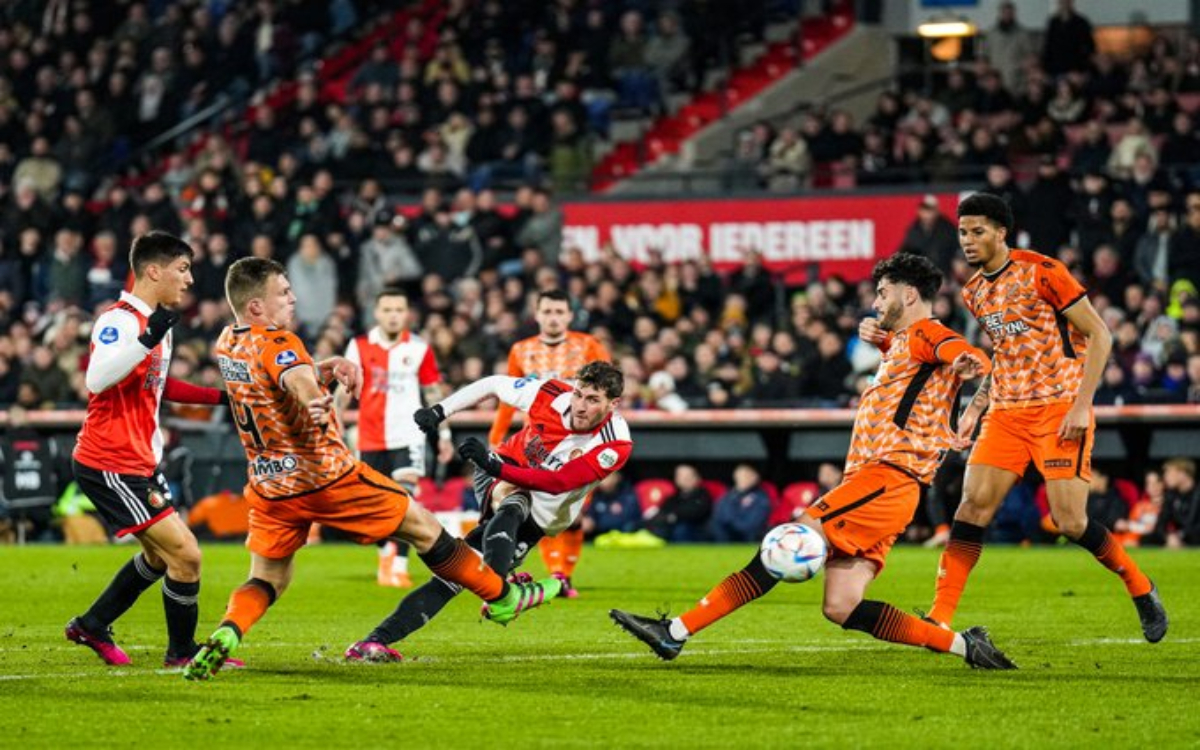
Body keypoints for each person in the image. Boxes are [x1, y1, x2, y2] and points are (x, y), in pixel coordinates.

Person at [611, 253, 1017, 669]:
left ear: (908, 294)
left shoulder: (926, 333)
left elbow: (961, 352)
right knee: (841, 606)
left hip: (887, 478)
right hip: (888, 489)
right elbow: (925, 371)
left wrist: (967, 359)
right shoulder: (903, 343)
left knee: (787, 540)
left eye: (882, 293)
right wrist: (884, 343)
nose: (876, 303)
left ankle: (675, 632)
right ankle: (966, 646)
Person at [183, 258, 558, 681]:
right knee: (424, 528)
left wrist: (321, 370)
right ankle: (503, 596)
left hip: (271, 484)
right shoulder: (279, 343)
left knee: (267, 578)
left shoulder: (227, 341)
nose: (292, 298)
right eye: (282, 292)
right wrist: (315, 396)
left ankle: (228, 633)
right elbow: (292, 377)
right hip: (325, 475)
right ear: (256, 307)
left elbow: (275, 379)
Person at [927, 192, 1167, 642]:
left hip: (1059, 409)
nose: (968, 240)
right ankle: (939, 617)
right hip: (1006, 414)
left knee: (1069, 521)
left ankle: (1139, 585)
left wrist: (1081, 404)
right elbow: (1004, 353)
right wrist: (976, 407)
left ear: (1001, 232)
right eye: (963, 231)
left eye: (977, 231)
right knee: (972, 505)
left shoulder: (1043, 271)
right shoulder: (974, 291)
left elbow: (1100, 334)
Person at [344, 360, 631, 661]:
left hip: (543, 510)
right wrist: (440, 411)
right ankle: (498, 595)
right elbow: (492, 383)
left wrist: (496, 466)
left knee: (457, 573)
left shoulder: (616, 443)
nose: (580, 406)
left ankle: (499, 591)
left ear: (613, 404)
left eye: (592, 399)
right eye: (579, 394)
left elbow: (559, 481)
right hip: (503, 474)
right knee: (512, 503)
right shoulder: (549, 393)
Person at [66, 231, 237, 668]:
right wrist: (145, 339)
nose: (189, 279)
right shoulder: (118, 320)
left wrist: (222, 399)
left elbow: (158, 386)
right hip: (109, 461)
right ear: (153, 271)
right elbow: (97, 379)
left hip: (140, 459)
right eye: (182, 269)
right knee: (186, 554)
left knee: (160, 556)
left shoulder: (158, 323)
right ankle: (181, 653)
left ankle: (92, 624)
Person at [490, 288, 610, 598]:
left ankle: (563, 574)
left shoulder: (589, 346)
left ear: (570, 315)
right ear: (537, 314)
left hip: (581, 443)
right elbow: (507, 398)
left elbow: (609, 396)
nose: (553, 317)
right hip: (535, 443)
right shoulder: (520, 350)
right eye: (548, 311)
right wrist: (495, 437)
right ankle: (553, 572)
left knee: (571, 512)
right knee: (535, 509)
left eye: (559, 312)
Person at [336, 288, 454, 588]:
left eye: (399, 309)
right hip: (370, 437)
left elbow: (432, 392)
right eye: (387, 309)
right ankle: (387, 553)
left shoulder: (419, 348)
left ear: (407, 314)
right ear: (377, 313)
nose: (393, 315)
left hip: (408, 435)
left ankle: (399, 564)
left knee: (405, 498)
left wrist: (444, 433)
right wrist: (334, 421)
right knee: (373, 507)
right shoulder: (359, 345)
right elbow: (344, 388)